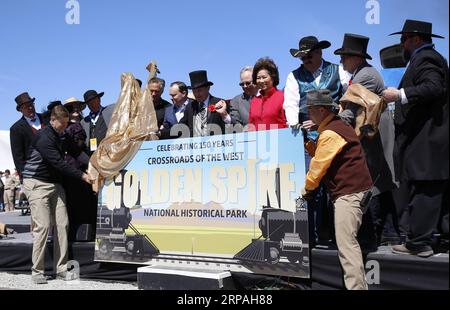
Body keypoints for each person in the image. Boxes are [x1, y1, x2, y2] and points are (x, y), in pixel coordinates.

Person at [382, 20, 449, 257]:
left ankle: (419, 243)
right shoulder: (423, 59)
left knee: (425, 187)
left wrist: (398, 94)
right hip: (426, 139)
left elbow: (433, 87)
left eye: (404, 39)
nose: (401, 44)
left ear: (416, 39)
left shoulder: (426, 58)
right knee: (427, 187)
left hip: (427, 138)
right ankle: (432, 239)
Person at [302, 89, 372, 290]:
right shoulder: (335, 127)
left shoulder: (331, 133)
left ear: (322, 110)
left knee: (347, 246)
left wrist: (305, 190)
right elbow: (326, 156)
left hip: (349, 194)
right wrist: (309, 144)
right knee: (352, 243)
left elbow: (318, 168)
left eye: (311, 110)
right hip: (356, 191)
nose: (308, 115)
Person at [335, 33, 399, 247]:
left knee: (371, 182)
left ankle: (375, 234)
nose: (341, 60)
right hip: (373, 134)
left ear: (356, 57)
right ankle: (389, 233)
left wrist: (329, 124)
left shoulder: (365, 76)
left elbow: (350, 110)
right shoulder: (363, 73)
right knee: (379, 182)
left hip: (374, 136)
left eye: (344, 56)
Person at [22, 105, 91, 284]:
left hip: (55, 184)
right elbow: (59, 163)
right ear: (52, 121)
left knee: (62, 225)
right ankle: (37, 272)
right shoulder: (44, 138)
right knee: (43, 227)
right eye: (61, 124)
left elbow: (76, 153)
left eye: (66, 124)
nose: (64, 128)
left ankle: (61, 269)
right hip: (36, 183)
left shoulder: (63, 134)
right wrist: (83, 175)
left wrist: (94, 164)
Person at [63, 97, 96, 241]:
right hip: (70, 166)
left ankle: (83, 232)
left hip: (80, 165)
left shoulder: (81, 124)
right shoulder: (68, 126)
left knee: (82, 200)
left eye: (77, 107)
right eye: (72, 108)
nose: (75, 110)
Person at [177, 70, 230, 137]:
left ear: (208, 88)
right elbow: (180, 128)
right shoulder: (190, 107)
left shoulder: (220, 104)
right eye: (194, 91)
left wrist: (224, 115)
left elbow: (230, 127)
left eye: (199, 90)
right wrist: (161, 133)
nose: (197, 94)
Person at [10, 92, 45, 178]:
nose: (30, 108)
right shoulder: (16, 129)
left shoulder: (46, 118)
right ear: (20, 110)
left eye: (31, 105)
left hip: (57, 169)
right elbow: (18, 158)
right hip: (36, 175)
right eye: (26, 107)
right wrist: (24, 179)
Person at [247, 58, 287, 131]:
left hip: (279, 140)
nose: (261, 81)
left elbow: (287, 124)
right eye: (258, 78)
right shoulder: (254, 100)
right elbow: (251, 125)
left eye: (264, 77)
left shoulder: (282, 97)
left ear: (273, 77)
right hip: (258, 141)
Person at [80, 90, 115, 155]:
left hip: (110, 152)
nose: (92, 103)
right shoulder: (84, 121)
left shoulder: (111, 110)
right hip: (92, 156)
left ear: (99, 99)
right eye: (89, 102)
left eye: (94, 100)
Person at [229, 66, 259, 131]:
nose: (245, 86)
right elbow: (236, 127)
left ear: (256, 80)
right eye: (242, 84)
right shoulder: (236, 102)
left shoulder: (270, 97)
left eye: (248, 83)